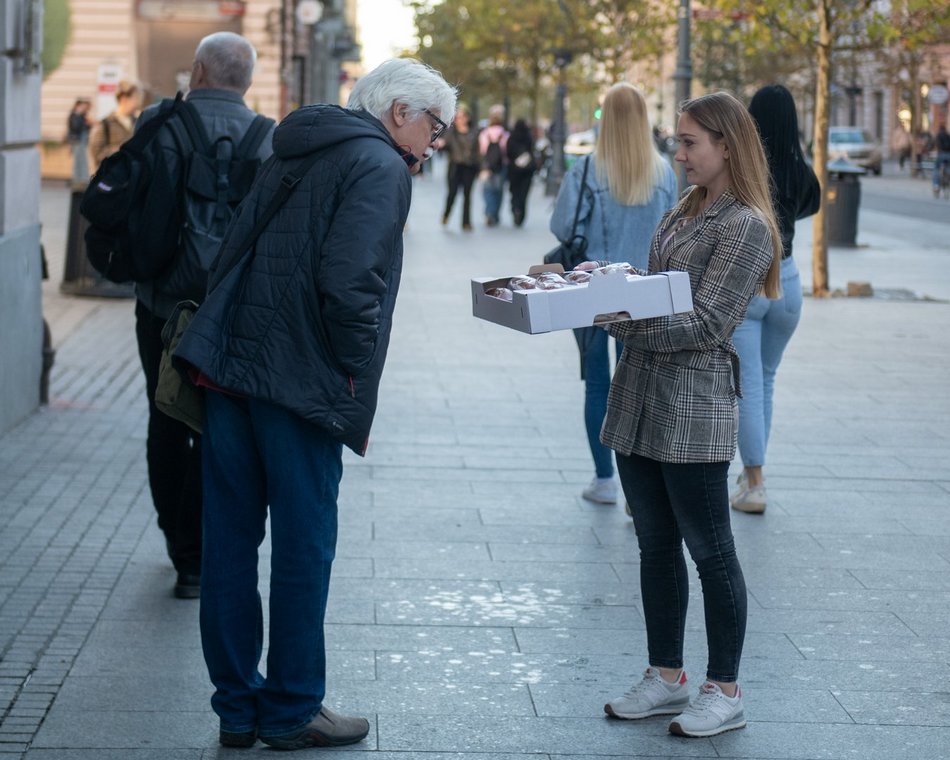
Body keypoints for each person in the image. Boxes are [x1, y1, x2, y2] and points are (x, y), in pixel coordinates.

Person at [173, 58, 456, 750]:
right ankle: (294, 705)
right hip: (297, 380)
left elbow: (236, 245)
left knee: (231, 544)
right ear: (400, 113)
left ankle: (237, 709)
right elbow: (350, 279)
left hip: (232, 366)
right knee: (304, 548)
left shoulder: (299, 142)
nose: (437, 140)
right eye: (436, 125)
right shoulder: (380, 166)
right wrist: (352, 370)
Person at [595, 91, 781, 738]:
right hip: (641, 400)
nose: (678, 153)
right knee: (654, 545)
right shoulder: (685, 208)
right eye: (678, 141)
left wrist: (619, 319)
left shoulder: (747, 225)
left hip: (693, 408)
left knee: (711, 551)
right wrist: (611, 286)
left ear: (727, 145)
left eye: (689, 142)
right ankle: (666, 676)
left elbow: (706, 322)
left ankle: (724, 689)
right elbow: (660, 292)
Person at [133, 32, 274, 599]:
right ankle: (210, 546)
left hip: (161, 304)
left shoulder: (156, 121)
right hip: (230, 310)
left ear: (197, 71)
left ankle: (182, 552)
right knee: (217, 425)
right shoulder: (270, 139)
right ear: (246, 81)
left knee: (164, 416)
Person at [550, 83, 677, 505]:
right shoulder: (663, 173)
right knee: (636, 388)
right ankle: (636, 487)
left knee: (598, 387)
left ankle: (604, 479)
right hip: (642, 293)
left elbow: (563, 228)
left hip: (593, 291)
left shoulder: (587, 170)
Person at [730, 84, 820, 514]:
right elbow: (810, 206)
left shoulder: (747, 172)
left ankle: (755, 482)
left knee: (747, 386)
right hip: (789, 281)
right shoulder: (800, 172)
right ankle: (752, 476)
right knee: (764, 381)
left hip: (751, 283)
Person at [87, 80, 142, 172]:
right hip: (114, 181)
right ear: (124, 98)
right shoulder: (105, 124)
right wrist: (121, 150)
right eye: (135, 98)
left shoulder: (140, 122)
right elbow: (97, 155)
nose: (138, 103)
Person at [440, 105, 480, 231]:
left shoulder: (474, 132)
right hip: (455, 167)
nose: (459, 120)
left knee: (467, 195)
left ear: (467, 118)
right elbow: (444, 143)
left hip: (469, 167)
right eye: (457, 118)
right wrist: (441, 144)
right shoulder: (451, 132)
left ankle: (466, 222)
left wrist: (481, 168)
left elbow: (478, 151)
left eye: (462, 117)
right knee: (452, 193)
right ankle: (446, 214)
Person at [479, 104, 509, 226]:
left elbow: (482, 151)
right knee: (499, 191)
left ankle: (489, 212)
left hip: (487, 166)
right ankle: (495, 213)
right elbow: (507, 152)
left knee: (487, 190)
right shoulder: (505, 134)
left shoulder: (485, 134)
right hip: (501, 166)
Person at [506, 118, 537, 226]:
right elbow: (532, 150)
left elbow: (508, 153)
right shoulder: (528, 137)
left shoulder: (512, 137)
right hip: (527, 170)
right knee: (524, 194)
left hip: (514, 170)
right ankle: (521, 214)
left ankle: (515, 209)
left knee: (514, 192)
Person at [66, 98, 92, 183]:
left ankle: (83, 178)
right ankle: (77, 179)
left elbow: (86, 128)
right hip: (76, 141)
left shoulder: (82, 116)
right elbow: (75, 127)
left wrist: (88, 124)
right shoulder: (74, 115)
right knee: (77, 160)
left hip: (82, 141)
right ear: (77, 106)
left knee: (83, 159)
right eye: (82, 106)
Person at [931, 124, 950, 197]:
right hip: (949, 155)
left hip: (941, 154)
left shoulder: (938, 136)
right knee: (948, 169)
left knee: (936, 169)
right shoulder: (948, 136)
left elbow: (934, 145)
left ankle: (936, 185)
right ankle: (947, 178)